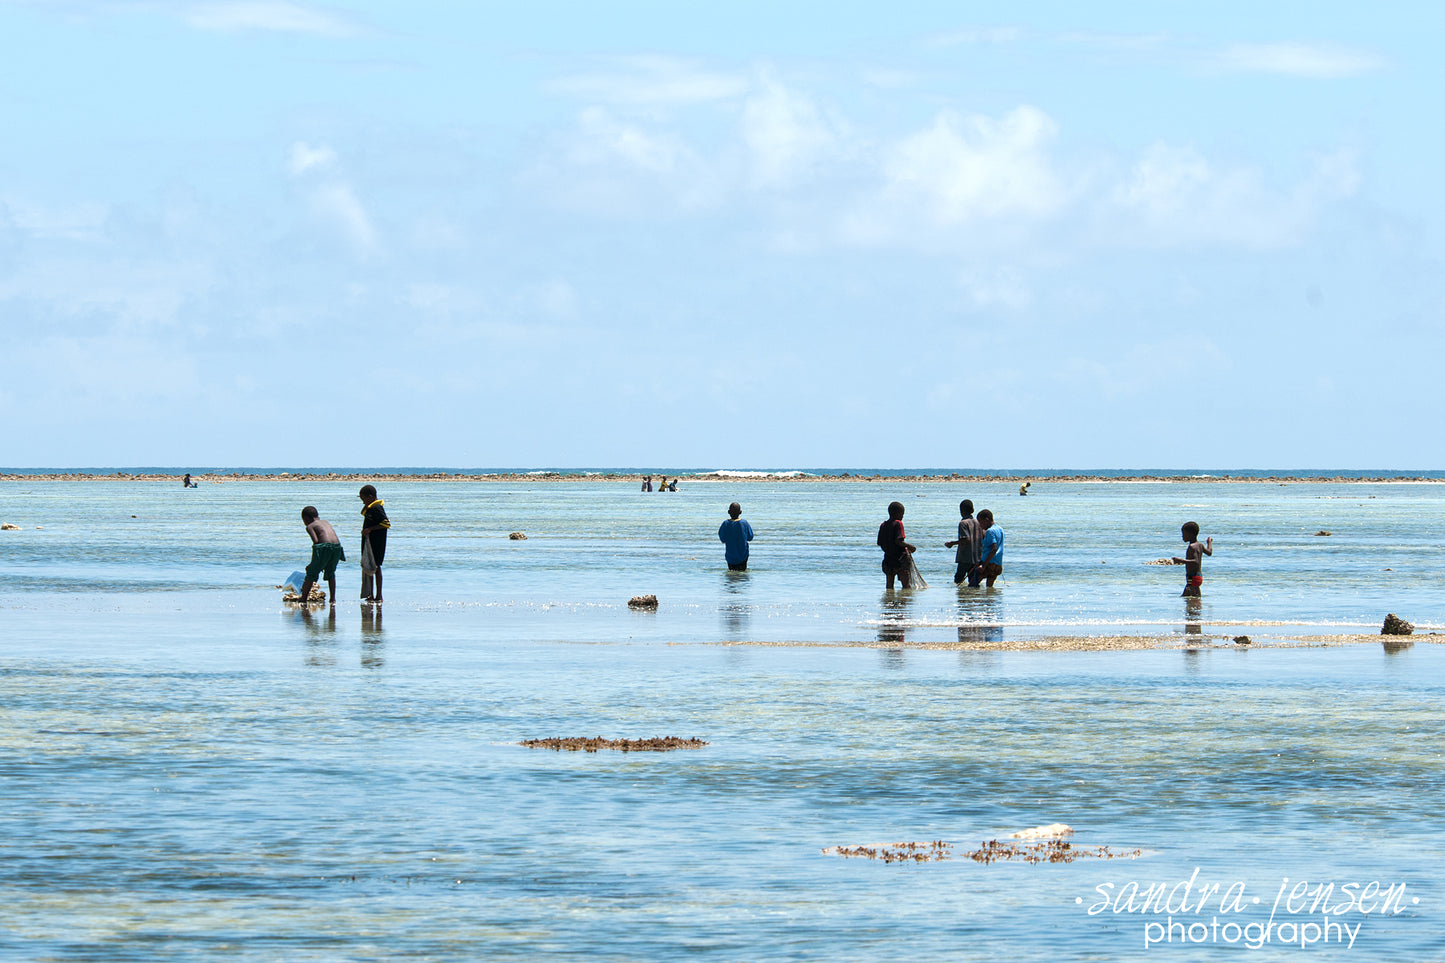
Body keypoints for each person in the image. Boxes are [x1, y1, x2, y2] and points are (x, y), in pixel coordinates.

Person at [298, 506, 345, 607]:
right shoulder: (326, 522)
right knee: (331, 572)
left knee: (311, 573)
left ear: (306, 518)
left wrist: (312, 563)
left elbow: (316, 543)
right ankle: (332, 599)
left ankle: (303, 598)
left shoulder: (310, 526)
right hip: (337, 547)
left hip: (323, 547)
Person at [359, 484, 390, 603]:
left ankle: (379, 595)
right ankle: (370, 594)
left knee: (376, 567)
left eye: (364, 499)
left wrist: (370, 529)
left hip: (377, 543)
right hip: (369, 542)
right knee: (369, 567)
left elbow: (386, 524)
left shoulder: (377, 508)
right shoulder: (370, 508)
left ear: (371, 497)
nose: (363, 502)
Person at [877, 501, 916, 589]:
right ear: (898, 513)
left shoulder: (883, 525)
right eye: (902, 514)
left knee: (889, 586)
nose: (902, 517)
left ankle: (889, 600)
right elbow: (899, 541)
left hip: (888, 559)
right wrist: (910, 547)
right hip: (900, 559)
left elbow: (880, 543)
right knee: (906, 585)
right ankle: (904, 600)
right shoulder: (898, 523)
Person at [944, 499, 984, 586]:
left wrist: (951, 543)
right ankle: (973, 597)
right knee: (973, 582)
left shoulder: (963, 523)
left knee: (958, 581)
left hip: (965, 558)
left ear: (962, 511)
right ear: (972, 510)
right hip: (977, 558)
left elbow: (966, 540)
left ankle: (962, 597)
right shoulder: (978, 522)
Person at [1172, 521, 1213, 597]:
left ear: (1191, 534)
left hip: (1192, 577)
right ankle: (1198, 607)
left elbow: (1196, 561)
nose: (1182, 536)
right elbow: (1209, 552)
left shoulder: (1192, 546)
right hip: (1197, 577)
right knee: (1195, 596)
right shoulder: (1200, 545)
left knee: (1186, 595)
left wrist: (1181, 561)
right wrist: (1209, 542)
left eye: (1184, 534)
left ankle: (1195, 608)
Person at [718, 502, 754, 571]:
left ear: (728, 512)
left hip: (730, 556)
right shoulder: (744, 523)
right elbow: (750, 537)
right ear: (740, 512)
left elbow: (722, 538)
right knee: (742, 574)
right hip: (743, 556)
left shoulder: (725, 524)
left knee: (732, 575)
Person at [973, 509, 1004, 587]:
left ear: (986, 520)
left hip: (989, 563)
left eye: (980, 522)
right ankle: (989, 599)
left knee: (973, 584)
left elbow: (994, 549)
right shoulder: (1000, 529)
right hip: (998, 564)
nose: (980, 525)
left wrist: (983, 565)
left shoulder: (990, 531)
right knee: (989, 588)